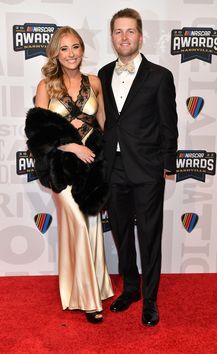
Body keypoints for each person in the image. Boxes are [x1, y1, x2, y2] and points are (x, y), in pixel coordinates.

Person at [25, 26, 114, 324]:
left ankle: (94, 286)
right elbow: (37, 134)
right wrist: (72, 146)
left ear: (82, 49)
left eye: (75, 47)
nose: (71, 53)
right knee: (76, 224)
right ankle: (89, 300)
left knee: (90, 228)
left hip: (92, 167)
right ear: (55, 53)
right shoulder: (47, 86)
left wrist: (109, 156)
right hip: (62, 171)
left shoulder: (95, 82)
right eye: (64, 48)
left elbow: (102, 124)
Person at [98, 9, 178, 326]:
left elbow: (168, 125)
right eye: (118, 31)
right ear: (112, 37)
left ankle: (151, 300)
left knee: (148, 236)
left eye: (130, 31)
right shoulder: (103, 74)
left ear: (140, 36)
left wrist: (168, 163)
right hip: (113, 167)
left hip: (146, 168)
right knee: (120, 233)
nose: (124, 37)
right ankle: (130, 289)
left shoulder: (159, 76)